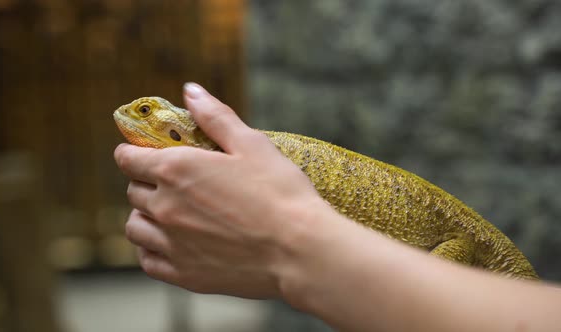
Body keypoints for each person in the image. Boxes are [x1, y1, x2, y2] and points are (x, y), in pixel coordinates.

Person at [114, 83, 561, 332]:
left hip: (455, 242)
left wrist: (294, 248)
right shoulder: (240, 163)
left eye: (147, 110)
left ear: (177, 134)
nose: (134, 116)